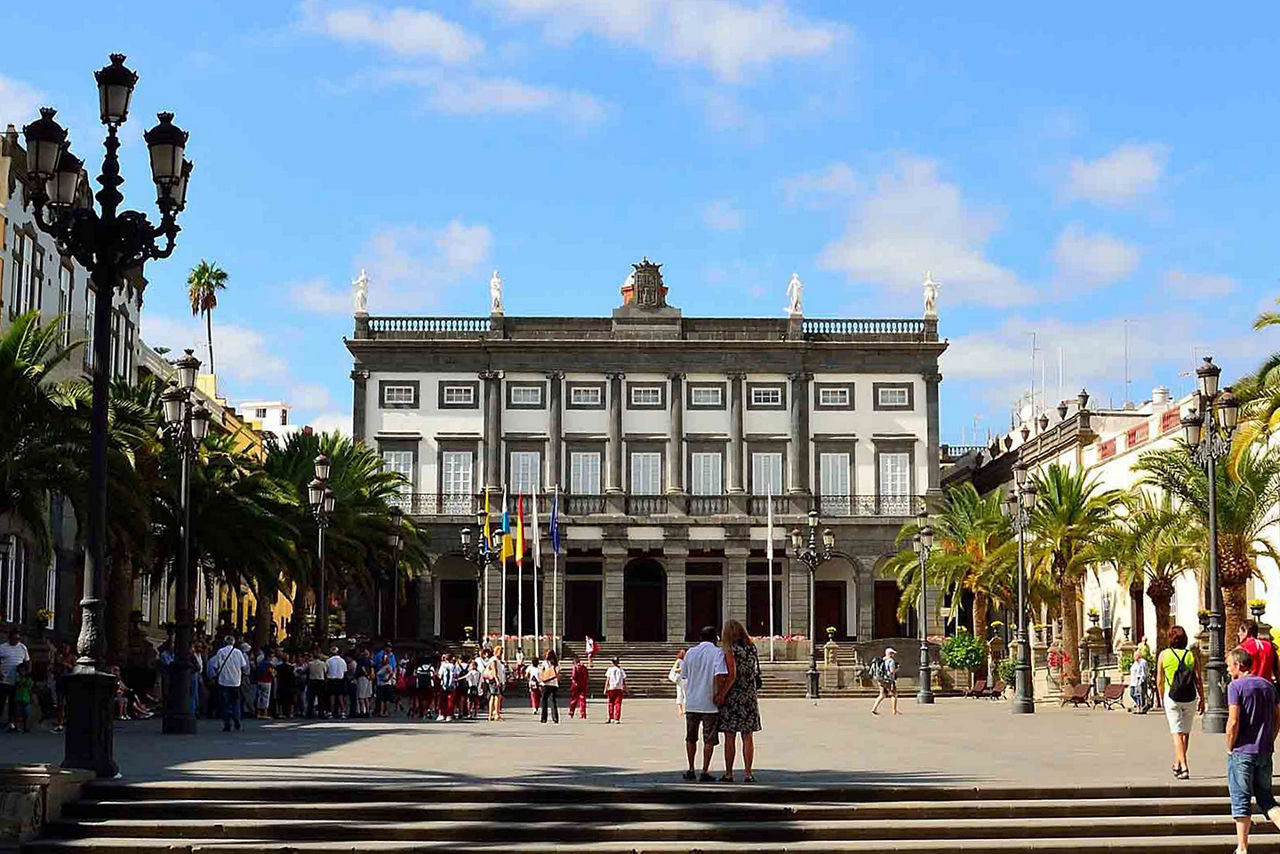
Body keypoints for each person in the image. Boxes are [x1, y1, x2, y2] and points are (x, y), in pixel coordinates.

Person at [1226, 646, 1280, 853]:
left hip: (1242, 751)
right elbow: (1277, 718)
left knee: (1240, 798)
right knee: (1266, 799)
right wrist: (1269, 739)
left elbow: (1233, 721)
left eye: (1230, 666)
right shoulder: (1268, 686)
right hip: (1264, 751)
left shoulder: (1236, 687)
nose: (1229, 670)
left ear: (1239, 665)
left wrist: (1230, 746)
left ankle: (1242, 847)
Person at [715, 620, 762, 782]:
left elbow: (732, 675)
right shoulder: (751, 648)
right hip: (749, 695)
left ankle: (729, 773)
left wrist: (721, 693)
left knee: (730, 736)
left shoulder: (730, 650)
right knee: (747, 736)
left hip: (734, 696)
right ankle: (748, 773)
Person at [681, 625, 729, 782]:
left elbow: (684, 677)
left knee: (691, 737)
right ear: (715, 638)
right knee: (709, 739)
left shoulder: (690, 653)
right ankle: (704, 770)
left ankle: (690, 768)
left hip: (692, 702)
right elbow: (720, 675)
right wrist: (719, 694)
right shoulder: (717, 653)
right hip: (710, 703)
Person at [1157, 625, 1205, 779]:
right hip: (1190, 696)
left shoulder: (1164, 655)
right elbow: (1198, 679)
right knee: (1185, 733)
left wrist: (1160, 697)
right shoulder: (1191, 655)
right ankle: (1177, 764)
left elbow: (1159, 679)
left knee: (1176, 733)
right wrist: (1202, 698)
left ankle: (1184, 766)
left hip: (1172, 697)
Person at [206, 635, 250, 732]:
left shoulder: (221, 652)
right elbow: (244, 666)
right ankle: (237, 719)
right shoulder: (238, 653)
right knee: (235, 702)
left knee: (224, 704)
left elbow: (214, 665)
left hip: (224, 681)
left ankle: (227, 723)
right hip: (235, 682)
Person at [0, 629, 31, 731]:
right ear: (10, 638)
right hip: (4, 680)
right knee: (1, 702)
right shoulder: (3, 647)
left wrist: (27, 674)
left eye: (18, 638)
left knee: (14, 704)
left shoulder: (22, 648)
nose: (16, 640)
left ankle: (11, 723)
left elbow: (27, 661)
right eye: (14, 639)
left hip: (17, 681)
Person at [870, 648, 900, 716]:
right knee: (894, 694)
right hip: (889, 680)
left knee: (882, 695)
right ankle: (894, 711)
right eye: (893, 653)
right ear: (890, 654)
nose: (894, 655)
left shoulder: (882, 660)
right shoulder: (891, 661)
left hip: (881, 679)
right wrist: (897, 669)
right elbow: (892, 671)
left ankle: (874, 708)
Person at [539, 651, 561, 724]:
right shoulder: (557, 664)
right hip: (554, 684)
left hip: (545, 684)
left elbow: (541, 672)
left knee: (544, 700)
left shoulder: (545, 663)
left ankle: (544, 718)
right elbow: (558, 675)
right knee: (553, 701)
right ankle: (555, 718)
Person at [324, 646, 347, 719]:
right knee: (340, 697)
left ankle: (330, 712)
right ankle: (343, 712)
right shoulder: (342, 661)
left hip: (331, 680)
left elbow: (325, 670)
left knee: (332, 697)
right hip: (340, 680)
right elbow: (345, 671)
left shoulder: (328, 661)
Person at [605, 657, 627, 723]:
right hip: (619, 688)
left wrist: (606, 688)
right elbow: (623, 680)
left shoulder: (610, 669)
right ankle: (616, 718)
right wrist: (625, 687)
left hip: (611, 688)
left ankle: (611, 717)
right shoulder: (621, 670)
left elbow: (607, 679)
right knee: (618, 704)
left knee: (611, 703)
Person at [13, 662, 34, 733]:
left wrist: (31, 698)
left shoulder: (29, 679)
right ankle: (18, 727)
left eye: (23, 670)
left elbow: (30, 687)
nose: (22, 672)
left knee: (26, 714)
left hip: (26, 698)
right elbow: (18, 684)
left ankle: (25, 727)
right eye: (20, 670)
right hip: (18, 698)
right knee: (18, 714)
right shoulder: (17, 677)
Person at [568, 653, 590, 719]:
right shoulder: (584, 667)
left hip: (576, 685)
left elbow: (574, 675)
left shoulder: (575, 667)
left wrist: (572, 678)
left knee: (574, 699)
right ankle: (583, 713)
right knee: (582, 699)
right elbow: (587, 676)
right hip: (583, 684)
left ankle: (571, 712)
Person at [668, 650, 687, 716]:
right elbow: (674, 669)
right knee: (680, 693)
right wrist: (680, 669)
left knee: (685, 694)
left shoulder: (687, 661)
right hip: (680, 679)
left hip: (685, 678)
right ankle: (680, 709)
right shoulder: (679, 661)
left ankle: (685, 709)